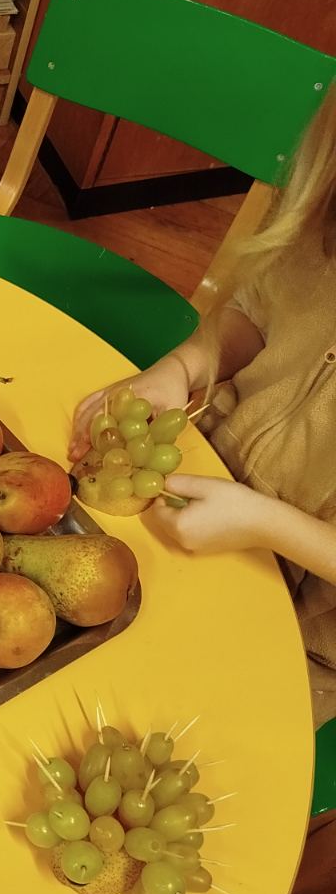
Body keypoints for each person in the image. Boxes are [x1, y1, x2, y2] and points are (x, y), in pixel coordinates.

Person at [70, 86, 336, 727]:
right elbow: (256, 314)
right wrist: (181, 369)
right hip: (206, 474)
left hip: (309, 632)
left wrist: (269, 525)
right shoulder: (320, 213)